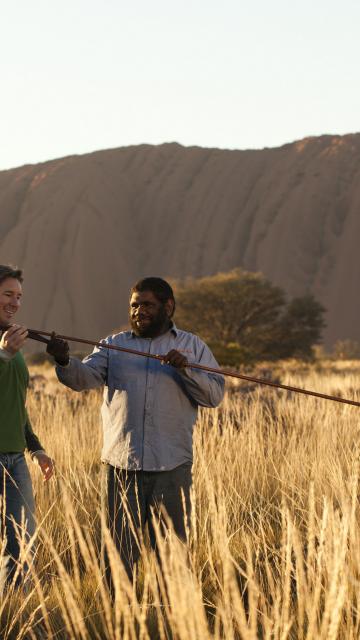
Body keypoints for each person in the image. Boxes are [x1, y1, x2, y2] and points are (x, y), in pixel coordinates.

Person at [46, 277, 224, 585]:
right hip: (120, 468)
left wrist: (186, 369)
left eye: (147, 304)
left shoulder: (193, 346)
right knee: (117, 555)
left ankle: (172, 623)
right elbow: (82, 379)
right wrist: (63, 359)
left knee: (172, 557)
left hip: (172, 468)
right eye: (134, 305)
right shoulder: (113, 345)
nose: (139, 311)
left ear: (168, 307)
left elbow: (213, 397)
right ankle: (118, 620)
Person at [0, 265, 54, 594]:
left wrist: (35, 448)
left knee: (21, 541)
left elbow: (16, 404)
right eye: (7, 294)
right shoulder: (8, 345)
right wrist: (3, 353)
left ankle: (13, 614)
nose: (15, 303)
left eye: (19, 296)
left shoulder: (13, 341)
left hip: (15, 460)